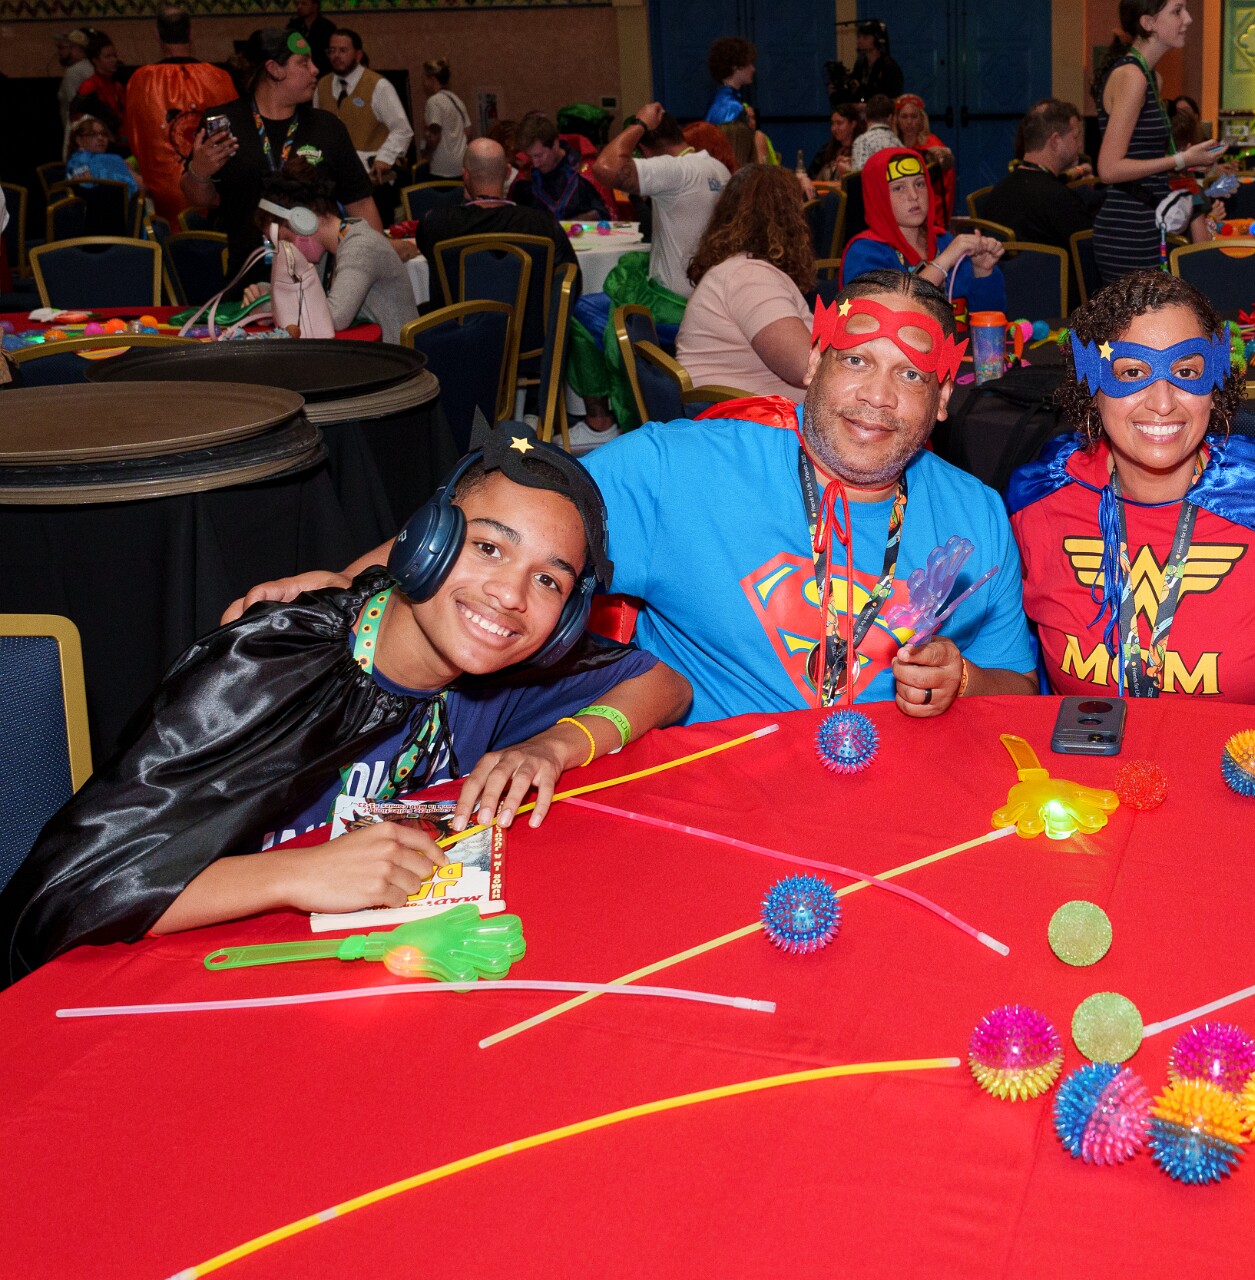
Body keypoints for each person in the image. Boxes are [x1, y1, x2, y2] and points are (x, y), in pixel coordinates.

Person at [0, 426, 695, 986]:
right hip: (172, 982)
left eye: (548, 581)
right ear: (426, 542)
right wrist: (297, 874)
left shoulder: (505, 673)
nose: (511, 595)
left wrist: (557, 744)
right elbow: (60, 899)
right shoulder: (272, 662)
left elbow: (666, 685)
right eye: (488, 547)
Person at [222, 271, 1038, 723]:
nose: (877, 398)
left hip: (895, 811)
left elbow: (1021, 691)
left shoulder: (977, 517)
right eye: (855, 361)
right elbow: (494, 516)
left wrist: (966, 681)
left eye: (911, 376)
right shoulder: (678, 470)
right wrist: (347, 583)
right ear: (814, 364)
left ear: (943, 400)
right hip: (709, 800)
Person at [1008, 271, 1255, 712]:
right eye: (1131, 372)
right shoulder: (1042, 504)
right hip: (1100, 756)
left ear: (1215, 382)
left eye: (1186, 372)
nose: (1162, 402)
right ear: (1093, 385)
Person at [183, 28, 378, 282]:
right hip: (249, 282)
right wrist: (198, 172)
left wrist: (377, 261)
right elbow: (203, 200)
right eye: (303, 62)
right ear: (274, 69)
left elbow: (360, 203)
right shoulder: (226, 124)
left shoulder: (327, 127)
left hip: (322, 283)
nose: (315, 69)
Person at [1091, 0, 1227, 283]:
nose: (1188, 19)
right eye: (1177, 11)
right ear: (1148, 22)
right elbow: (1109, 169)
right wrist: (1181, 160)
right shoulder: (1132, 77)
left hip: (1147, 222)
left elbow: (1143, 156)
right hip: (1128, 227)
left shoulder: (1152, 77)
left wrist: (1188, 162)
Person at [676, 164, 816, 401]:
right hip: (744, 420)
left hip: (737, 413)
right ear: (791, 219)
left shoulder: (738, 270)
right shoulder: (749, 277)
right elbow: (806, 367)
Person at [244, 158, 417, 340]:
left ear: (303, 222)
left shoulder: (361, 247)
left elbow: (332, 317)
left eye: (284, 239)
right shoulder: (328, 251)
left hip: (393, 353)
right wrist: (264, 293)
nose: (284, 250)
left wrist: (267, 307)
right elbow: (306, 298)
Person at [592, 104, 730, 326]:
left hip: (673, 306)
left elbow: (605, 168)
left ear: (645, 151)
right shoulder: (718, 168)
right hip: (711, 297)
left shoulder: (674, 171)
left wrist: (640, 124)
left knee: (583, 310)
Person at [416, 138, 579, 309]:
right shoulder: (543, 224)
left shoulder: (436, 224)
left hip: (457, 325)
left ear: (465, 175)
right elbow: (571, 283)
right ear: (508, 172)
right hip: (529, 325)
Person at [840, 148, 1005, 314]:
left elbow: (990, 317)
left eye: (919, 184)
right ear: (878, 196)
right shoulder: (865, 252)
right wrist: (944, 262)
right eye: (898, 188)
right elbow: (887, 313)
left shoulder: (944, 241)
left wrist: (982, 271)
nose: (913, 195)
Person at [124, 7, 239, 224]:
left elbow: (136, 139)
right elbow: (234, 138)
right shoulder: (219, 78)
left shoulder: (141, 81)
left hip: (163, 198)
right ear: (191, 32)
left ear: (157, 34)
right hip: (212, 196)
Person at [316, 28, 413, 217]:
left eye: (343, 50)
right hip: (334, 181)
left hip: (372, 181)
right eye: (332, 51)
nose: (336, 56)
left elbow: (402, 129)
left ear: (358, 54)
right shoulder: (322, 85)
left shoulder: (378, 85)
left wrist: (385, 157)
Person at [977, 99, 1096, 252]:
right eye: (1075, 137)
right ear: (1055, 141)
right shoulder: (1061, 201)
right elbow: (1090, 255)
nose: (1079, 144)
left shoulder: (997, 193)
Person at [512, 111, 612, 223]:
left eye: (539, 156)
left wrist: (570, 224)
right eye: (530, 156)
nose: (535, 164)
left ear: (555, 145)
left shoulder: (583, 172)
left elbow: (606, 214)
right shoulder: (525, 180)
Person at [892, 93, 955, 223]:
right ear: (896, 120)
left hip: (929, 208)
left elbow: (946, 185)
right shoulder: (892, 144)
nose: (909, 122)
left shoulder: (932, 144)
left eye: (914, 116)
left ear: (921, 119)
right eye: (904, 116)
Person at [829, 19, 904, 107]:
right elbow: (856, 90)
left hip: (881, 113)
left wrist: (867, 107)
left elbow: (894, 99)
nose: (859, 41)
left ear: (877, 40)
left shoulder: (889, 66)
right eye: (859, 37)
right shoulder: (860, 63)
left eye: (865, 37)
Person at [70, 33, 127, 141]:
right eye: (108, 57)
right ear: (95, 60)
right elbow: (76, 118)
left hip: (121, 139)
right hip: (100, 141)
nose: (114, 60)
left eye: (115, 56)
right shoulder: (89, 86)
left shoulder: (117, 86)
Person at [419, 59, 470, 180]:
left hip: (441, 168)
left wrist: (426, 154)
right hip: (461, 166)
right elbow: (468, 132)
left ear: (432, 79)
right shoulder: (457, 100)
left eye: (424, 78)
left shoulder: (434, 101)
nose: (423, 83)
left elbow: (434, 135)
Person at [65, 117, 142, 191]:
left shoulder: (72, 161)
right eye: (93, 134)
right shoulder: (108, 160)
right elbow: (142, 185)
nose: (100, 138)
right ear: (79, 140)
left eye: (104, 134)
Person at [810, 102, 865, 181]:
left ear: (853, 124)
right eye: (832, 123)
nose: (834, 128)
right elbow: (811, 175)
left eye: (839, 123)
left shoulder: (862, 150)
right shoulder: (825, 150)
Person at [54, 28, 95, 134]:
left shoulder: (74, 71)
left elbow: (73, 106)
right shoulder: (89, 67)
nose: (59, 52)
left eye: (62, 48)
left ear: (76, 49)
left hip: (78, 130)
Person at [706, 37, 755, 125]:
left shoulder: (722, 101)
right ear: (735, 67)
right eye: (749, 64)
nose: (753, 69)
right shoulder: (731, 106)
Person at [849, 94, 903, 172]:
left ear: (866, 118)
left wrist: (848, 170)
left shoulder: (862, 141)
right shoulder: (898, 143)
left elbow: (860, 175)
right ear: (890, 118)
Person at [286, 0, 337, 69]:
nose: (299, 7)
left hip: (322, 69)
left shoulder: (327, 27)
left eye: (304, 4)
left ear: (315, 6)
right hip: (298, 69)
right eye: (297, 4)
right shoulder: (293, 26)